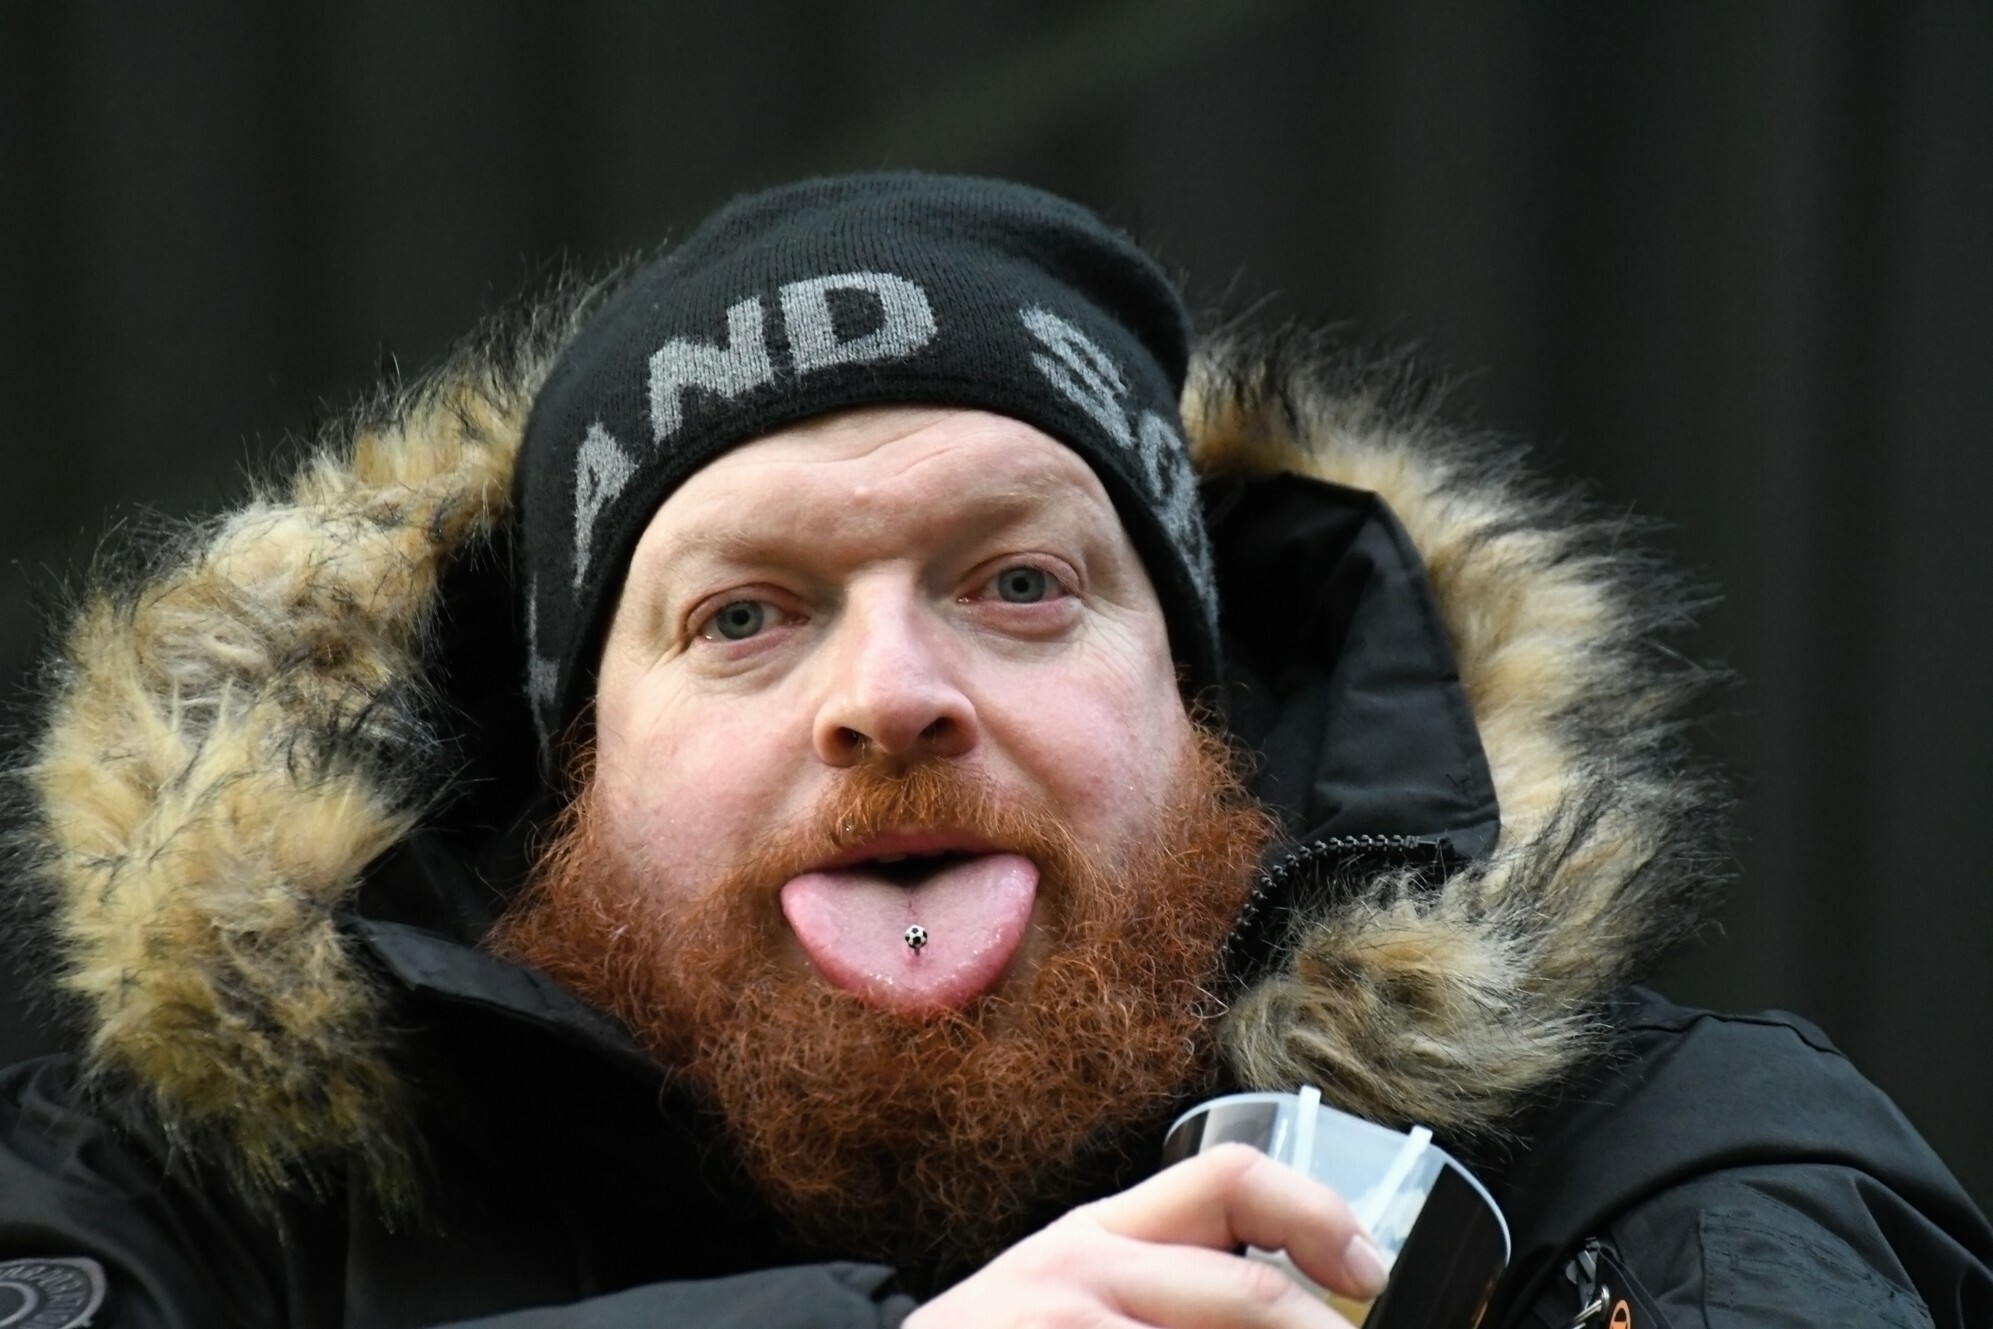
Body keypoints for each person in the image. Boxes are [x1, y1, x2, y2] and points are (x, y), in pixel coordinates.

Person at [0, 173, 1985, 1329]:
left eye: (1021, 583)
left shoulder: (1647, 1142)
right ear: (574, 771)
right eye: (742, 616)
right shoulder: (178, 1203)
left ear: (1204, 716)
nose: (890, 692)